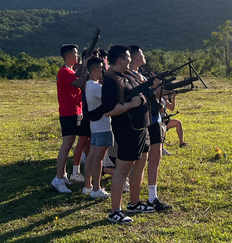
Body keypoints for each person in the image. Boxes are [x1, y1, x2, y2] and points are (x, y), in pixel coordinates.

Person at [101, 45, 155, 223]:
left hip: (141, 127)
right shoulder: (111, 79)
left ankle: (134, 203)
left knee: (140, 166)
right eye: (128, 59)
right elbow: (109, 110)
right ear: (119, 60)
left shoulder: (127, 75)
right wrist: (132, 104)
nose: (130, 61)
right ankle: (115, 211)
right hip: (127, 130)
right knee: (122, 170)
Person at [128, 46, 172, 212]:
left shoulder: (139, 75)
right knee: (145, 162)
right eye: (141, 53)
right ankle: (139, 200)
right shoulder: (131, 77)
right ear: (134, 57)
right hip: (148, 121)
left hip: (155, 119)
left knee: (156, 159)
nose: (143, 55)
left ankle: (151, 197)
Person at [52, 44, 87, 193]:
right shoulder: (65, 71)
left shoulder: (70, 71)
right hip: (68, 113)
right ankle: (59, 179)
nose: (77, 56)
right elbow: (80, 83)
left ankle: (63, 175)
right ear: (68, 55)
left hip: (75, 111)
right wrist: (85, 66)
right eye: (75, 54)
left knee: (70, 142)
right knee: (67, 144)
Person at [82, 57, 111, 199]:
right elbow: (110, 99)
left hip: (95, 126)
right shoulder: (96, 87)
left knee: (92, 156)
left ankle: (88, 186)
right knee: (99, 158)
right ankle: (96, 188)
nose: (102, 70)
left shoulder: (88, 85)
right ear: (94, 69)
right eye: (100, 68)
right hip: (103, 125)